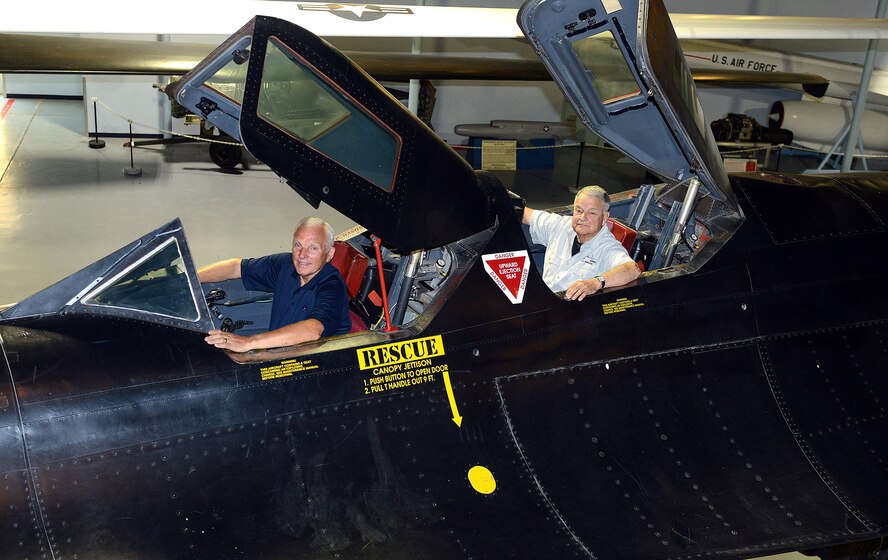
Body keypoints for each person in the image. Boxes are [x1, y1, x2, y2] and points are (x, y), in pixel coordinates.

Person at [198, 217, 351, 352]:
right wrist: (190, 279)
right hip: (278, 352)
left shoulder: (332, 286)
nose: (302, 255)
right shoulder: (286, 265)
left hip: (313, 365)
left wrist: (249, 343)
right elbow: (236, 267)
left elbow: (313, 330)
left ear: (329, 254)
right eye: (298, 245)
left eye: (313, 248)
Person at [523, 185, 640, 301]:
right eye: (579, 210)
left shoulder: (608, 248)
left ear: (604, 217)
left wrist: (595, 283)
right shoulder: (559, 225)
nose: (583, 217)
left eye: (591, 213)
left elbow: (632, 269)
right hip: (541, 302)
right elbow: (524, 214)